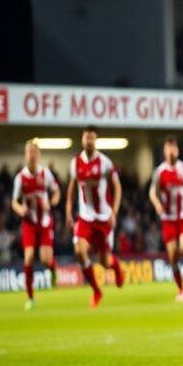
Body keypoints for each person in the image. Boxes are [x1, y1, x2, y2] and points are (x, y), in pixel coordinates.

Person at [65, 126, 124, 308]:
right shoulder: (75, 163)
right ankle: (97, 291)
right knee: (79, 252)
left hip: (104, 218)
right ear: (82, 140)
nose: (89, 141)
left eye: (92, 138)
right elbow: (72, 189)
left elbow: (117, 187)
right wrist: (68, 211)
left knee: (104, 262)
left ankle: (116, 267)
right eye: (86, 138)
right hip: (85, 217)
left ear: (95, 140)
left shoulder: (105, 162)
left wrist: (114, 212)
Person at [149, 135, 183, 302]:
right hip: (168, 219)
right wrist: (157, 203)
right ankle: (181, 289)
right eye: (168, 147)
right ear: (164, 151)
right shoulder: (159, 172)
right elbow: (152, 191)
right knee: (172, 257)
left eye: (174, 147)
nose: (171, 151)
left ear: (177, 150)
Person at [11, 139, 61, 309]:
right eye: (29, 152)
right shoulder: (20, 178)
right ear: (26, 155)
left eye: (35, 152)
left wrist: (52, 203)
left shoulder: (45, 174)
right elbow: (14, 202)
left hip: (45, 222)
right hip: (29, 223)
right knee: (29, 257)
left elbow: (56, 193)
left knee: (46, 260)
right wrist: (20, 210)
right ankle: (31, 298)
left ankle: (53, 269)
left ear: (39, 155)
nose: (32, 155)